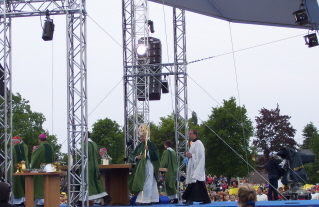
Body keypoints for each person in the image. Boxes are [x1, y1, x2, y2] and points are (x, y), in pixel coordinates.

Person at [128, 124, 160, 205]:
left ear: (146, 136)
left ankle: (145, 199)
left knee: (148, 181)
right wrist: (136, 157)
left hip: (149, 164)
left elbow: (156, 156)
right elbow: (132, 154)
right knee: (147, 181)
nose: (141, 138)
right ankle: (151, 198)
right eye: (140, 137)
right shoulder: (139, 145)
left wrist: (148, 150)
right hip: (141, 166)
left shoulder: (151, 145)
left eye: (143, 136)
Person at [182, 129, 211, 205]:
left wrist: (191, 155)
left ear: (195, 134)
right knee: (199, 183)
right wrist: (189, 155)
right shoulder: (193, 143)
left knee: (194, 182)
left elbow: (200, 154)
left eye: (190, 134)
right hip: (193, 164)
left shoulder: (199, 143)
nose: (189, 135)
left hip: (197, 165)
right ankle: (206, 199)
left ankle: (190, 199)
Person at [81, 135, 112, 205]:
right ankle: (106, 197)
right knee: (96, 181)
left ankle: (81, 200)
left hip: (87, 165)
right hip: (95, 164)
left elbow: (83, 156)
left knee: (87, 182)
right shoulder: (95, 144)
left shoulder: (85, 144)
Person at [30, 133, 55, 205]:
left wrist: (32, 167)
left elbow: (35, 158)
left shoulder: (41, 147)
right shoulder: (50, 147)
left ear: (40, 140)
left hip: (42, 171)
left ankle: (41, 202)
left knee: (40, 186)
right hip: (50, 170)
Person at [11, 135, 28, 205]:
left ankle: (16, 201)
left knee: (17, 184)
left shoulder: (12, 148)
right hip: (24, 169)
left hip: (15, 170)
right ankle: (24, 200)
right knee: (24, 184)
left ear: (14, 142)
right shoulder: (24, 147)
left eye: (12, 142)